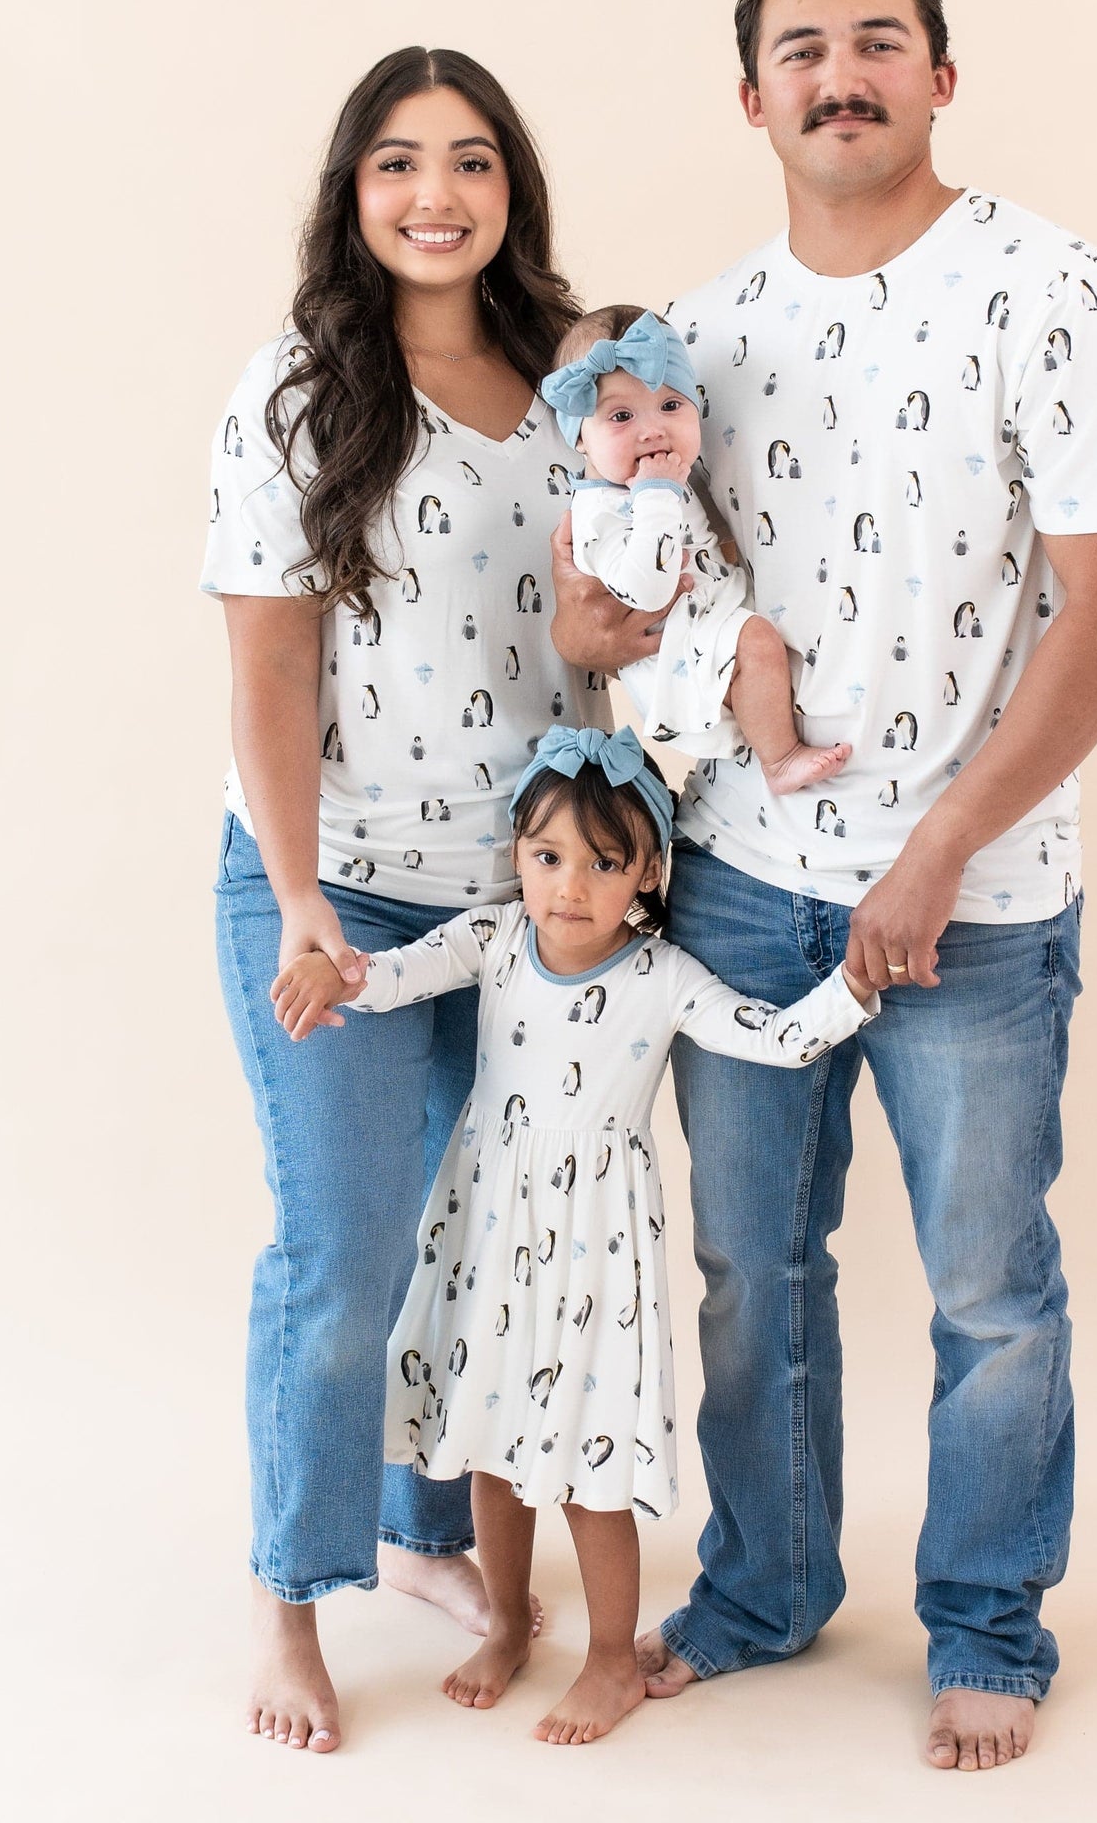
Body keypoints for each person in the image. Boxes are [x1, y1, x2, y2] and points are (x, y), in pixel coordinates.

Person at [549, 0, 1097, 1772]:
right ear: (752, 100)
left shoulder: (1058, 290)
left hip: (975, 902)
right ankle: (762, 1587)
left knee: (990, 1283)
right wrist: (605, 636)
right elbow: (637, 615)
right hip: (742, 891)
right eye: (805, 49)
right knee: (755, 1267)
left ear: (941, 76)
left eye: (881, 41)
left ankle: (987, 1616)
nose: (844, 74)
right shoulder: (700, 340)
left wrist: (936, 854)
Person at [204, 44, 609, 1754]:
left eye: (468, 162)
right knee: (343, 1255)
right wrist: (301, 905)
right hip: (345, 899)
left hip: (528, 913)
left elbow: (595, 643)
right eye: (395, 164)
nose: (433, 195)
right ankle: (292, 1605)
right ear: (351, 195)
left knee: (476, 1251)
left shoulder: (580, 382)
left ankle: (428, 1533)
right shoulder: (300, 393)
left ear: (511, 189)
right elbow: (268, 672)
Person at [271, 725, 877, 1745]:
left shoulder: (665, 975)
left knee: (587, 1467)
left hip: (595, 1253)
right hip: (493, 1230)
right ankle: (507, 1622)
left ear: (647, 869)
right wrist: (338, 975)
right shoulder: (493, 939)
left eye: (602, 863)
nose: (568, 886)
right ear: (517, 854)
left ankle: (608, 1657)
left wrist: (854, 986)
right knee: (494, 1446)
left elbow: (768, 1036)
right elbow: (398, 971)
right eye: (547, 856)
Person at [539, 307, 849, 793]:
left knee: (762, 646)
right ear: (579, 436)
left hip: (706, 617)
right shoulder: (598, 512)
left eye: (671, 406)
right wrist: (657, 496)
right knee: (759, 642)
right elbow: (645, 588)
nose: (653, 429)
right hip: (675, 647)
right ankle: (781, 760)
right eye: (621, 416)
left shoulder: (661, 482)